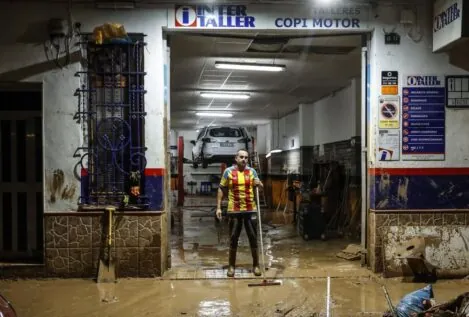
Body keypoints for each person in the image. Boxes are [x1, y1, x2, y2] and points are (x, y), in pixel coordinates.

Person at [216, 149, 263, 277]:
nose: (244, 159)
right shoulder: (228, 172)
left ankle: (256, 266)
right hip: (234, 210)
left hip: (250, 209)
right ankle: (231, 266)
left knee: (253, 238)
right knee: (233, 238)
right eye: (241, 157)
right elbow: (221, 188)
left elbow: (260, 187)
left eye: (246, 157)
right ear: (236, 158)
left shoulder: (252, 172)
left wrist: (259, 184)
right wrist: (219, 207)